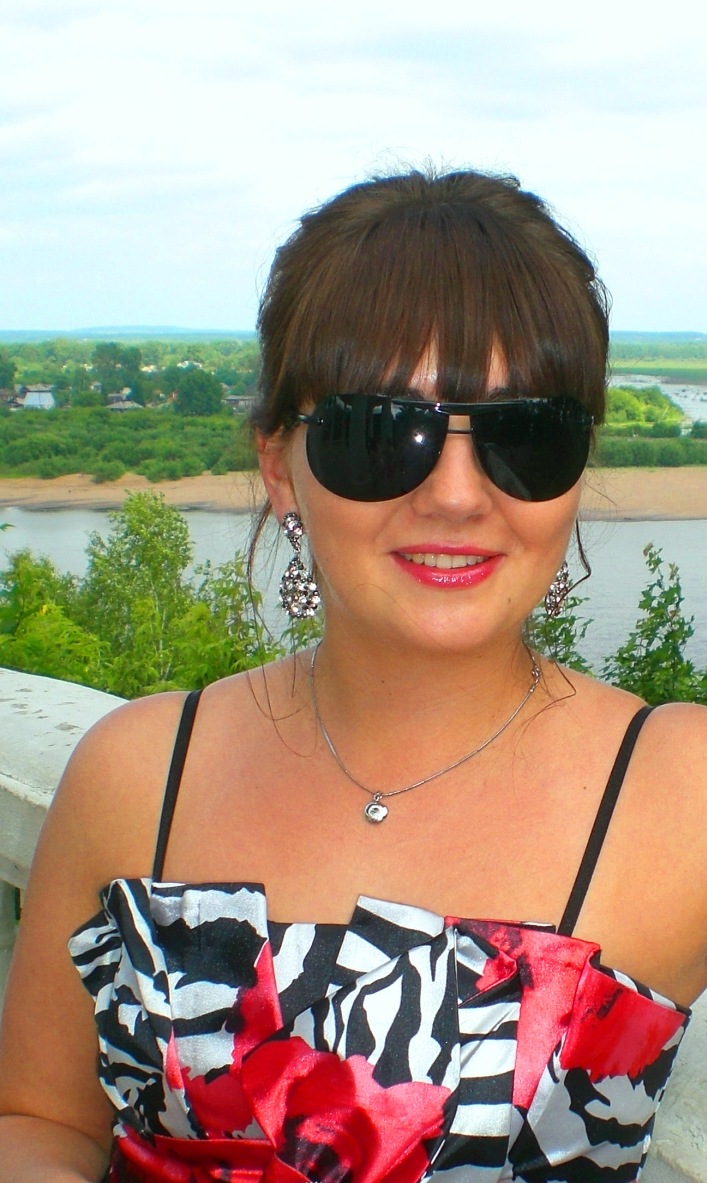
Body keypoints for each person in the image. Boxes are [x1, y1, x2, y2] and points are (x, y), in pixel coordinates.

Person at [0, 167, 705, 1183]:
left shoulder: (676, 788)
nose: (456, 495)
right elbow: (38, 1118)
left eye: (523, 435)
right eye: (382, 433)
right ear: (278, 465)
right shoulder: (138, 772)